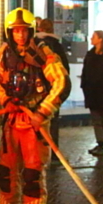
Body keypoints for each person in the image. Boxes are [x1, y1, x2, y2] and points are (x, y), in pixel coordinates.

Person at [0, 8, 68, 204]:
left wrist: (42, 112)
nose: (20, 36)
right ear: (9, 33)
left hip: (34, 123)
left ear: (31, 31)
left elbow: (62, 83)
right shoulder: (4, 54)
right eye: (16, 31)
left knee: (32, 173)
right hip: (12, 120)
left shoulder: (43, 54)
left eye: (24, 31)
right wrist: (5, 99)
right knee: (6, 170)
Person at [33, 18, 71, 163]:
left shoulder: (35, 45)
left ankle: (37, 152)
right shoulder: (56, 45)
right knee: (53, 122)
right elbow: (64, 70)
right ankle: (53, 152)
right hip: (53, 91)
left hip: (39, 91)